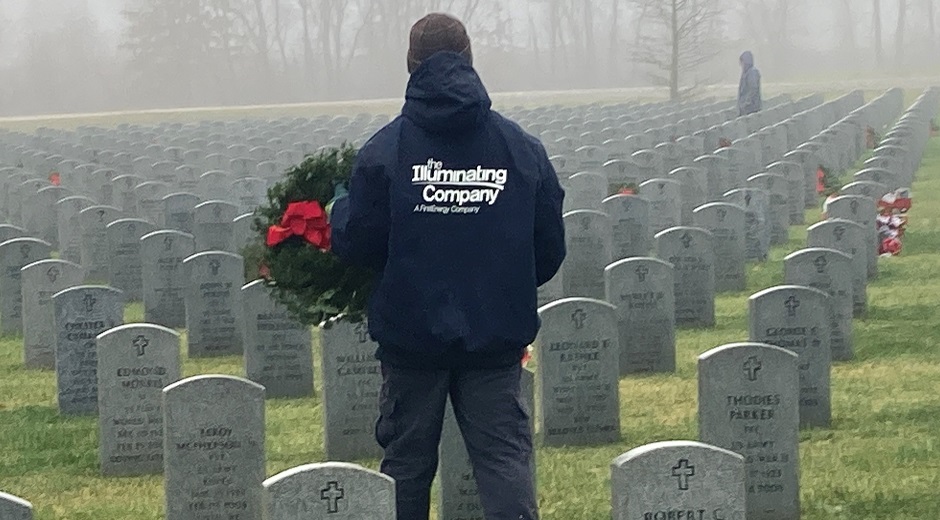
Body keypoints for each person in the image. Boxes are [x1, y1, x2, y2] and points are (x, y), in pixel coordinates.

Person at [330, 12, 565, 520]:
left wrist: (339, 209)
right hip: (495, 336)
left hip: (412, 339)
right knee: (503, 463)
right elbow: (547, 250)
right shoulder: (521, 150)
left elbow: (358, 245)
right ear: (470, 57)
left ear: (410, 63)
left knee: (407, 467)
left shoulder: (385, 151)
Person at [738, 50, 762, 116]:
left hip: (751, 109)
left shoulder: (752, 73)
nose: (741, 65)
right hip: (747, 108)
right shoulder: (746, 73)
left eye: (742, 62)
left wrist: (746, 104)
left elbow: (753, 89)